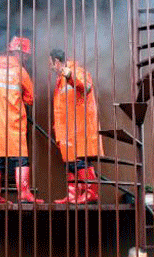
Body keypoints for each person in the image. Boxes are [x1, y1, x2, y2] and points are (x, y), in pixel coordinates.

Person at [0, 36, 43, 203]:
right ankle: (24, 194)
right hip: (13, 123)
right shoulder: (20, 71)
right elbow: (31, 97)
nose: (25, 59)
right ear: (19, 54)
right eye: (25, 56)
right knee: (20, 158)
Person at [49, 48, 103, 204]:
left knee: (80, 162)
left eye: (51, 63)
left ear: (57, 61)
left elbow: (85, 87)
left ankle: (91, 193)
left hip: (79, 129)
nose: (50, 67)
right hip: (68, 130)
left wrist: (69, 75)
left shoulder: (76, 72)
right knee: (70, 163)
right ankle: (73, 195)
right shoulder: (60, 80)